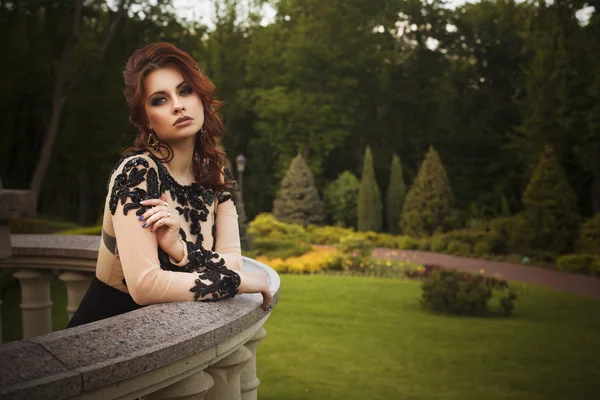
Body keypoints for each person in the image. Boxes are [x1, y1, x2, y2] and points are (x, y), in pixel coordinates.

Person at [67, 42, 271, 328]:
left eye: (185, 90)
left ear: (201, 98)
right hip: (108, 335)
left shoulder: (216, 175)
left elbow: (233, 261)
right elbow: (145, 285)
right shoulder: (137, 172)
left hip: (174, 333)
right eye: (160, 100)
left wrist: (179, 248)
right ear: (147, 120)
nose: (178, 105)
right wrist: (236, 283)